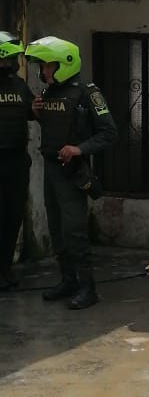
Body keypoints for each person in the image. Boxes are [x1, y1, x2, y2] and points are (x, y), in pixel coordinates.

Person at [25, 35, 117, 310]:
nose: (43, 71)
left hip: (72, 171)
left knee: (74, 230)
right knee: (56, 229)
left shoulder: (88, 93)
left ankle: (88, 288)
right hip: (51, 168)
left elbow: (109, 133)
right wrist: (35, 112)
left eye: (47, 66)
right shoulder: (47, 94)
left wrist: (79, 149)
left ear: (65, 63)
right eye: (41, 67)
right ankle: (68, 280)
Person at [0, 32, 34, 292]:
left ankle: (4, 270)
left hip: (16, 161)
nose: (13, 62)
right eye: (11, 57)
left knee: (13, 217)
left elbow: (33, 110)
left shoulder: (20, 85)